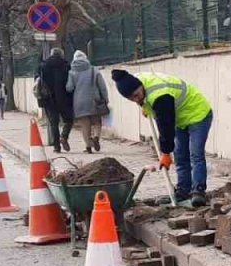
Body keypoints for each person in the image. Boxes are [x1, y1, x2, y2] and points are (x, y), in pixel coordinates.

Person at [111, 69, 212, 206]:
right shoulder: (136, 81)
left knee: (196, 153)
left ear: (140, 86)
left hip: (197, 113)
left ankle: (198, 192)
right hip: (180, 118)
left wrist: (165, 153)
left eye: (137, 95)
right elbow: (149, 103)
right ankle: (183, 191)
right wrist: (144, 105)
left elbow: (166, 127)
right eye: (132, 99)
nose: (136, 99)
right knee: (180, 155)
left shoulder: (160, 96)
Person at [66, 50, 109, 153]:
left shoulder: (71, 72)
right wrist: (105, 98)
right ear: (86, 58)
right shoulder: (94, 70)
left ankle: (88, 146)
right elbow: (102, 86)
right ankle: (96, 138)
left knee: (85, 125)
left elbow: (69, 88)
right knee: (97, 122)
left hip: (79, 102)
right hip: (95, 101)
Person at [38, 48, 74, 153]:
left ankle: (56, 147)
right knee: (69, 120)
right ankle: (64, 136)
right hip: (64, 98)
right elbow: (70, 82)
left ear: (51, 54)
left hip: (48, 99)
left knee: (54, 123)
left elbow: (39, 81)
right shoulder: (66, 66)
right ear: (61, 55)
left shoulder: (43, 66)